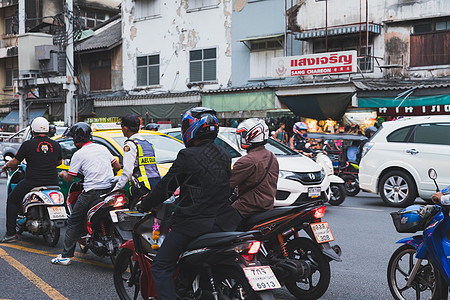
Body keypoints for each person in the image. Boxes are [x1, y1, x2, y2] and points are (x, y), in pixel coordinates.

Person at [137, 107, 241, 299]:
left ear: (192, 128)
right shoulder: (224, 154)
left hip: (194, 223)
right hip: (224, 222)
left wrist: (144, 204)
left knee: (161, 266)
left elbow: (166, 187)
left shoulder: (187, 156)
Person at [51, 122, 121, 265]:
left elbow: (70, 177)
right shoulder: (102, 148)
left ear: (76, 139)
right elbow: (117, 166)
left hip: (91, 193)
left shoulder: (79, 154)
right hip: (110, 189)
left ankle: (65, 256)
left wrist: (63, 174)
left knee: (73, 221)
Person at [1, 117, 62, 243]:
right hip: (53, 182)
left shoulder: (28, 145)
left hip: (32, 181)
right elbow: (59, 162)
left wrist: (6, 166)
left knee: (12, 200)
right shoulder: (56, 145)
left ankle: (10, 234)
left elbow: (15, 162)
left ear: (33, 130)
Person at [231, 118, 279, 219]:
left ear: (252, 135)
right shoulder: (271, 156)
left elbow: (227, 183)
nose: (242, 138)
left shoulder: (246, 161)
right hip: (267, 206)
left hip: (247, 208)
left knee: (218, 225)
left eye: (243, 135)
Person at [114, 114, 161, 208]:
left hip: (141, 190)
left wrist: (116, 189)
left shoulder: (130, 145)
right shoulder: (147, 144)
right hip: (155, 187)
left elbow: (127, 172)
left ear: (125, 128)